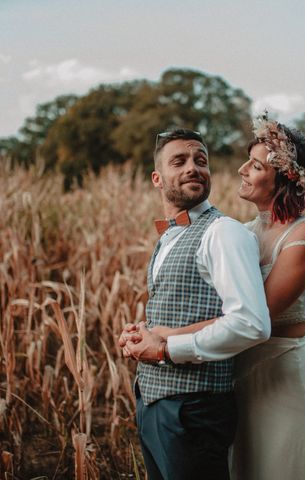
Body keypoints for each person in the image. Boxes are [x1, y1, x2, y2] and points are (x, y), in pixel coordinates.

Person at [128, 113, 305, 479]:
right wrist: (150, 328)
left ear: (282, 178)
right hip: (237, 370)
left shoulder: (303, 235)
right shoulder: (247, 231)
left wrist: (165, 337)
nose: (241, 169)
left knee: (280, 466)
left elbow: (256, 318)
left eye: (254, 165)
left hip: (280, 371)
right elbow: (215, 305)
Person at [117, 128, 271, 480]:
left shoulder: (224, 232)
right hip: (154, 404)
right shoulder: (171, 235)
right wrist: (141, 334)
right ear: (157, 178)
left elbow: (251, 323)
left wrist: (167, 348)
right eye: (179, 161)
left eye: (201, 161)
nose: (193, 168)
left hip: (195, 409)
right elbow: (181, 308)